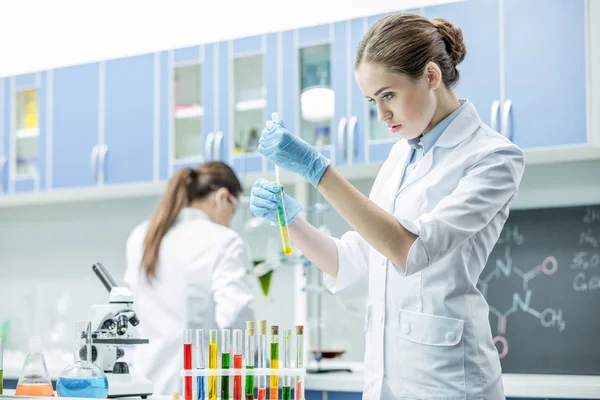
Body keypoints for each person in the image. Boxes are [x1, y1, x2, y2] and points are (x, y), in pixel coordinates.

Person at [250, 13, 524, 400]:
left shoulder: (493, 157)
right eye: (372, 100)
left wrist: (319, 171)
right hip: (385, 381)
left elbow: (409, 249)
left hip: (449, 382)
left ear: (431, 76)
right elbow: (351, 260)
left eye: (388, 95)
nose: (381, 115)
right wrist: (290, 220)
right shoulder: (400, 158)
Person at [125, 161, 255, 395]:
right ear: (223, 197)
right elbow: (236, 316)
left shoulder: (141, 235)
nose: (230, 220)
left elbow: (129, 316)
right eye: (233, 211)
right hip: (193, 388)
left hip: (143, 386)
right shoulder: (223, 240)